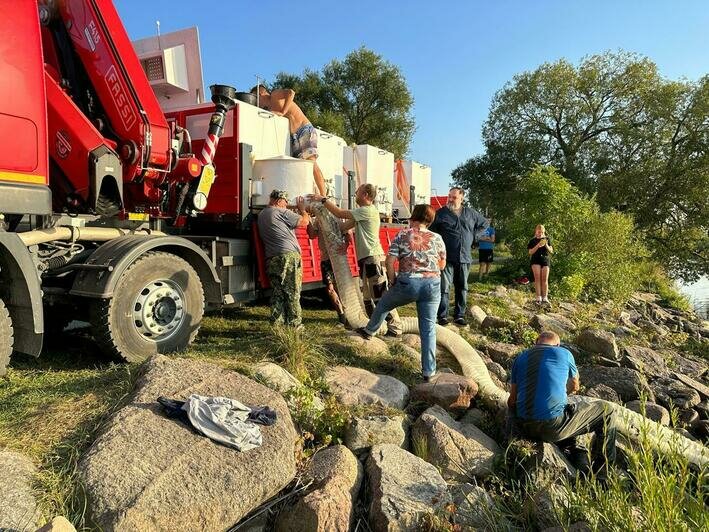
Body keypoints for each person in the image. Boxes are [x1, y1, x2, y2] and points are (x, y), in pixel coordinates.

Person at [355, 205, 446, 381]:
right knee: (428, 329)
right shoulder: (438, 238)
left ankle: (369, 330)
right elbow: (442, 264)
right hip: (432, 285)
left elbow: (390, 261)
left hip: (408, 282)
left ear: (414, 217)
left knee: (384, 304)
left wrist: (392, 279)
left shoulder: (403, 234)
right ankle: (429, 372)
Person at [508, 331, 618, 476]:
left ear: (536, 342)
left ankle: (575, 454)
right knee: (607, 411)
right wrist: (561, 393)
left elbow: (512, 400)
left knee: (564, 409)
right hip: (551, 425)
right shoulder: (564, 353)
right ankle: (603, 474)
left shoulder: (521, 357)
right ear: (557, 344)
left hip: (524, 426)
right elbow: (575, 386)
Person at [314, 184, 402, 336]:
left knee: (380, 294)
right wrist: (323, 217)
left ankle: (396, 328)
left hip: (373, 258)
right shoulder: (361, 214)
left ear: (366, 195)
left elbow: (340, 212)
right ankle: (373, 327)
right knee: (367, 296)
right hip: (366, 259)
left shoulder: (366, 210)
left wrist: (323, 200)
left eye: (358, 192)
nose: (355, 194)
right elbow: (341, 227)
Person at [251, 85, 326, 196]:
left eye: (255, 98)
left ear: (261, 94)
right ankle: (314, 194)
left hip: (304, 128)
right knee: (303, 167)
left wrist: (283, 111)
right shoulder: (269, 107)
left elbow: (291, 92)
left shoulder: (275, 95)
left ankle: (324, 196)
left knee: (311, 163)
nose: (257, 102)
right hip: (294, 136)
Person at [429, 187, 489, 326]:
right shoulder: (441, 214)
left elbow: (485, 224)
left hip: (464, 257)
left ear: (462, 198)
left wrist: (475, 236)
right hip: (445, 258)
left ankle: (459, 315)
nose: (450, 199)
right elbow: (431, 232)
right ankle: (442, 316)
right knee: (444, 287)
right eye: (449, 196)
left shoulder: (470, 213)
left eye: (453, 197)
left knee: (462, 287)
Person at [257, 190, 310, 329]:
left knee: (277, 293)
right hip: (289, 256)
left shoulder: (262, 214)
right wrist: (302, 210)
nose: (286, 206)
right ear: (279, 201)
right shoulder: (281, 212)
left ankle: (277, 326)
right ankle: (295, 325)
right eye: (285, 203)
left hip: (272, 258)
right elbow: (304, 222)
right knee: (292, 291)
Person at [306, 216, 346, 325]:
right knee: (330, 289)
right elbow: (312, 235)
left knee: (341, 288)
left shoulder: (337, 216)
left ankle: (348, 315)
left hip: (338, 259)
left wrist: (346, 245)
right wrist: (309, 220)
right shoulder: (317, 219)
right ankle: (342, 316)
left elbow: (348, 232)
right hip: (326, 259)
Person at [528, 224, 553, 305]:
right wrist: (538, 245)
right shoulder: (532, 241)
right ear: (536, 231)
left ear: (544, 232)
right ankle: (538, 297)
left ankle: (545, 297)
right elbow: (530, 252)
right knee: (537, 279)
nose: (540, 234)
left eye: (542, 232)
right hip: (535, 260)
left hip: (545, 260)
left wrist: (545, 244)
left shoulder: (547, 239)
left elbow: (551, 251)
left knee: (545, 279)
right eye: (539, 232)